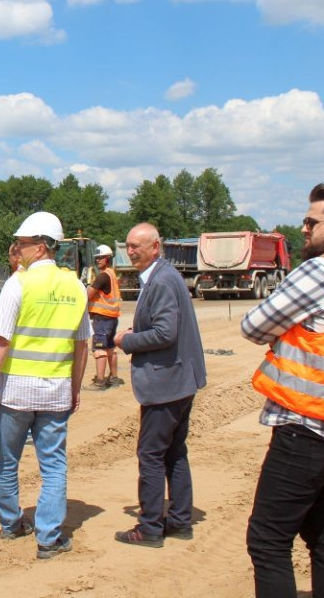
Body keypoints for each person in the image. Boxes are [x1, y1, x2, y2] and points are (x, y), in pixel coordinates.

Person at [241, 183, 324, 597]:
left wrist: (285, 333)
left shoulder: (323, 270)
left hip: (306, 424)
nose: (303, 227)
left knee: (266, 540)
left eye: (311, 221)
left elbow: (254, 325)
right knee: (323, 533)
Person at [0, 211, 90, 560]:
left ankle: (11, 524)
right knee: (54, 465)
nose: (18, 250)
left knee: (7, 460)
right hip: (56, 389)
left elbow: (0, 340)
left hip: (16, 391)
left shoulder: (19, 283)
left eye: (23, 244)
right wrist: (75, 388)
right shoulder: (75, 286)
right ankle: (48, 538)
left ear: (41, 247)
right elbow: (82, 344)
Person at [114, 222, 207, 547]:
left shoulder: (163, 280)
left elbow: (166, 333)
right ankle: (180, 521)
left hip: (167, 383)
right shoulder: (164, 276)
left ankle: (150, 527)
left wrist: (128, 340)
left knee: (151, 454)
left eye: (137, 245)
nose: (131, 250)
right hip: (179, 381)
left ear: (156, 247)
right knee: (174, 453)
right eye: (128, 245)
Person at [86, 244, 123, 390]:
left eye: (101, 258)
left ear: (108, 259)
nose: (98, 260)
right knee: (110, 348)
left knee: (99, 348)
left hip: (102, 318)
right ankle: (113, 378)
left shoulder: (102, 276)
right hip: (112, 317)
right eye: (97, 258)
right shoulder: (111, 274)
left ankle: (100, 381)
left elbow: (88, 295)